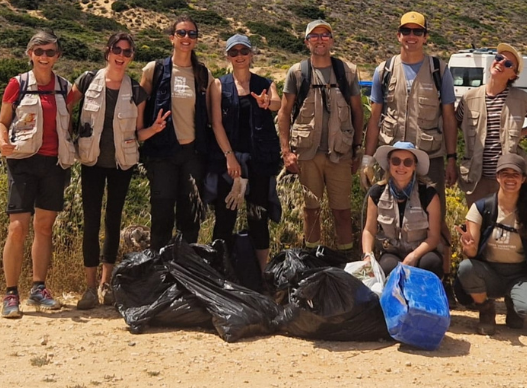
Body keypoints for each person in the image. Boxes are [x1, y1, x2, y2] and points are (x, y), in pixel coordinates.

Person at [362, 11, 457, 290]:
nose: (411, 36)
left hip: (430, 157)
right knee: (382, 214)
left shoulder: (439, 70)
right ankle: (381, 272)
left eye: (417, 31)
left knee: (436, 219)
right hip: (392, 159)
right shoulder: (384, 70)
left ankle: (443, 279)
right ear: (398, 35)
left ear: (426, 37)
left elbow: (449, 117)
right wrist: (368, 159)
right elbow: (375, 117)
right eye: (406, 31)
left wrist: (452, 158)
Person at [70, 33, 162, 310]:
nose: (121, 55)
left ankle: (105, 284)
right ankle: (89, 287)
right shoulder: (87, 81)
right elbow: (65, 108)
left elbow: (138, 132)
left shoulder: (136, 91)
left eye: (127, 51)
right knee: (90, 222)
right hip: (91, 162)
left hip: (122, 164)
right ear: (107, 51)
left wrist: (154, 130)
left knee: (113, 221)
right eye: (117, 50)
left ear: (132, 56)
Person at [0, 29, 78, 318]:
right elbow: (2, 122)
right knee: (17, 228)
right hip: (23, 162)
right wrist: (2, 141)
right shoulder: (17, 85)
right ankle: (10, 293)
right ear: (30, 54)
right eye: (39, 51)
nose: (44, 57)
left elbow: (69, 122)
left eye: (50, 52)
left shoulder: (65, 88)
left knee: (44, 227)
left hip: (54, 164)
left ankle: (38, 288)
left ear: (58, 56)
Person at [278, 20, 363, 255]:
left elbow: (358, 112)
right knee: (311, 211)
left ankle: (346, 260)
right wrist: (286, 152)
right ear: (307, 42)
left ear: (332, 40)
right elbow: (284, 112)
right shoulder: (297, 73)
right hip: (307, 155)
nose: (320, 40)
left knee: (342, 212)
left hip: (340, 154)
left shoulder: (347, 72)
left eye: (325, 35)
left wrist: (357, 149)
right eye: (314, 36)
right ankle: (311, 260)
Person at [456, 153, 527, 334]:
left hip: (519, 275)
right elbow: (472, 253)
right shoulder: (481, 208)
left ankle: (513, 305)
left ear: (523, 179)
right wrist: (469, 247)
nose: (510, 178)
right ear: (497, 177)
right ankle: (486, 309)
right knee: (466, 267)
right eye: (505, 174)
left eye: (515, 174)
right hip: (489, 272)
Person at [207, 34, 281, 271]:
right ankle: (220, 272)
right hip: (229, 161)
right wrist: (229, 157)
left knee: (258, 216)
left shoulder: (265, 83)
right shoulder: (218, 85)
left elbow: (277, 103)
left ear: (251, 54)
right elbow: (216, 123)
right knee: (224, 217)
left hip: (259, 161)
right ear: (228, 56)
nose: (239, 56)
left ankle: (261, 273)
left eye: (244, 51)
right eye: (234, 52)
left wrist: (267, 103)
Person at [139, 15, 212, 251]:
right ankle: (159, 266)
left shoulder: (202, 73)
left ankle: (186, 267)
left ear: (196, 40)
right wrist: (142, 133)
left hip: (192, 153)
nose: (186, 37)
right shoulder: (154, 70)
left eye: (192, 33)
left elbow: (211, 113)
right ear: (172, 38)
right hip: (161, 153)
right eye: (181, 33)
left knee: (190, 217)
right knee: (161, 215)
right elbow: (139, 104)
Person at [455, 43, 527, 205]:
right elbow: (454, 124)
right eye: (499, 58)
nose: (500, 63)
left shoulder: (522, 99)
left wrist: (522, 132)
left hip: (509, 179)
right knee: (477, 219)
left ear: (513, 76)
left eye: (508, 63)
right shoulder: (469, 98)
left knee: (508, 220)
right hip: (476, 179)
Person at [361, 142, 443, 278]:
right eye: (396, 161)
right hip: (391, 251)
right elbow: (369, 230)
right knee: (388, 268)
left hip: (421, 251)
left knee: (431, 263)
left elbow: (434, 237)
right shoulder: (377, 193)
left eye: (407, 162)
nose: (401, 166)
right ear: (389, 163)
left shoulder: (428, 194)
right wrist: (367, 256)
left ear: (415, 166)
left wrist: (414, 256)